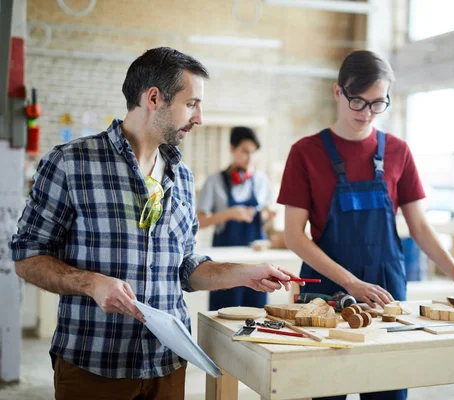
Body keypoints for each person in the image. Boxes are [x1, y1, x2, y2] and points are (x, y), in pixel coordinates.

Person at [9, 47, 295, 400]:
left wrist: (243, 272)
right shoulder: (71, 163)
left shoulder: (184, 177)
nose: (200, 117)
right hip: (94, 363)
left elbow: (185, 267)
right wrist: (90, 282)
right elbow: (26, 257)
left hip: (168, 365)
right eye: (192, 104)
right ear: (154, 98)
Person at [277, 50, 454, 400]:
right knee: (326, 388)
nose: (366, 113)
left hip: (387, 290)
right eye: (358, 102)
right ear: (338, 92)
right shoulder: (305, 153)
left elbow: (420, 227)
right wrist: (350, 282)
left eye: (378, 103)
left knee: (388, 388)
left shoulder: (398, 151)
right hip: (327, 293)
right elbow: (293, 235)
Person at [197, 126, 276, 311]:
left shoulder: (261, 181)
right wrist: (230, 214)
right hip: (224, 265)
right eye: (245, 151)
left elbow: (267, 226)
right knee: (222, 314)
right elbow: (198, 222)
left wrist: (268, 217)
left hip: (256, 263)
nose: (250, 158)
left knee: (256, 316)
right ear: (232, 149)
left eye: (254, 153)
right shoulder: (214, 181)